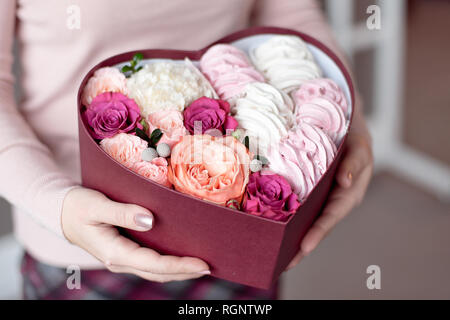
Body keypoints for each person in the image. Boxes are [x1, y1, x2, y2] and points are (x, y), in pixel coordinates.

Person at [0, 0, 373, 299]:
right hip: (78, 250)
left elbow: (289, 14)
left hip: (235, 233)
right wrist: (57, 205)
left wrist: (344, 120)